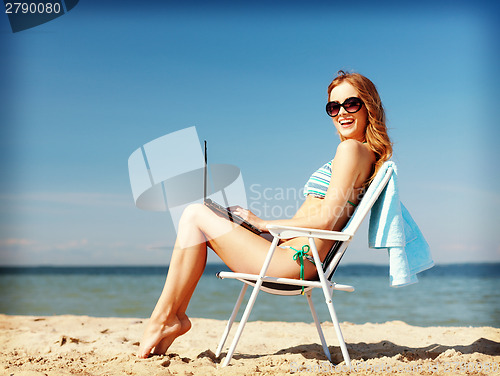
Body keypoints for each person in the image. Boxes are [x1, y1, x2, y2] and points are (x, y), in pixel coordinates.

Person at [137, 70, 392, 358]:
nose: (341, 113)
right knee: (200, 215)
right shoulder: (364, 153)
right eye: (334, 107)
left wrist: (264, 223)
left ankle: (167, 318)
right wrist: (259, 228)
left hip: (293, 263)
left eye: (351, 104)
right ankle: (171, 317)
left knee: (194, 214)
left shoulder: (350, 149)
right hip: (292, 254)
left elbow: (326, 220)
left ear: (369, 105)